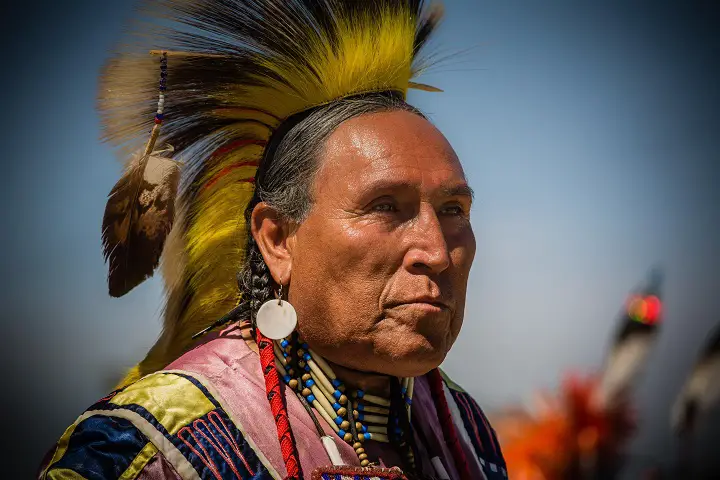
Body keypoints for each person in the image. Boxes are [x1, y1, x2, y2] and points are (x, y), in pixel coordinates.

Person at [38, 1, 506, 479]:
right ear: (278, 239)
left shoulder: (466, 430)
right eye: (385, 206)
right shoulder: (150, 447)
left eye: (453, 211)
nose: (437, 251)